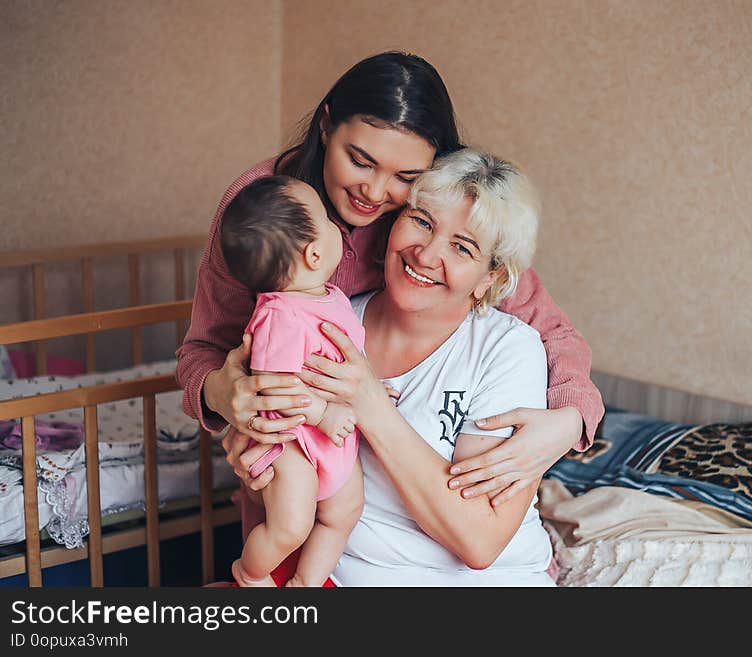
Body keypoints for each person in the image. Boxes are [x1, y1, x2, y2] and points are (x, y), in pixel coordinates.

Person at [176, 51, 603, 582]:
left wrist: (571, 419)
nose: (375, 193)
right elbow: (203, 351)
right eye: (359, 160)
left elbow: (543, 323)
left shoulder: (440, 218)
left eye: (405, 177)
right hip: (291, 491)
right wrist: (225, 396)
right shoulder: (264, 210)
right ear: (327, 124)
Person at [234, 148, 556, 584]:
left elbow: (479, 541)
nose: (425, 254)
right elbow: (275, 418)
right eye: (421, 221)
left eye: (462, 247)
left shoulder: (508, 350)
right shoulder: (333, 318)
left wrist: (370, 405)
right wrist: (253, 442)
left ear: (490, 279)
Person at [218, 176, 366, 587]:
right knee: (291, 526)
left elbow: (343, 358)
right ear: (315, 253)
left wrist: (365, 392)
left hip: (326, 432)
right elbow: (271, 385)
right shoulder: (280, 315)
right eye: (324, 217)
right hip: (289, 441)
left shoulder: (329, 296)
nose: (336, 224)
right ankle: (249, 574)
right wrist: (321, 412)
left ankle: (306, 584)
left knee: (345, 510)